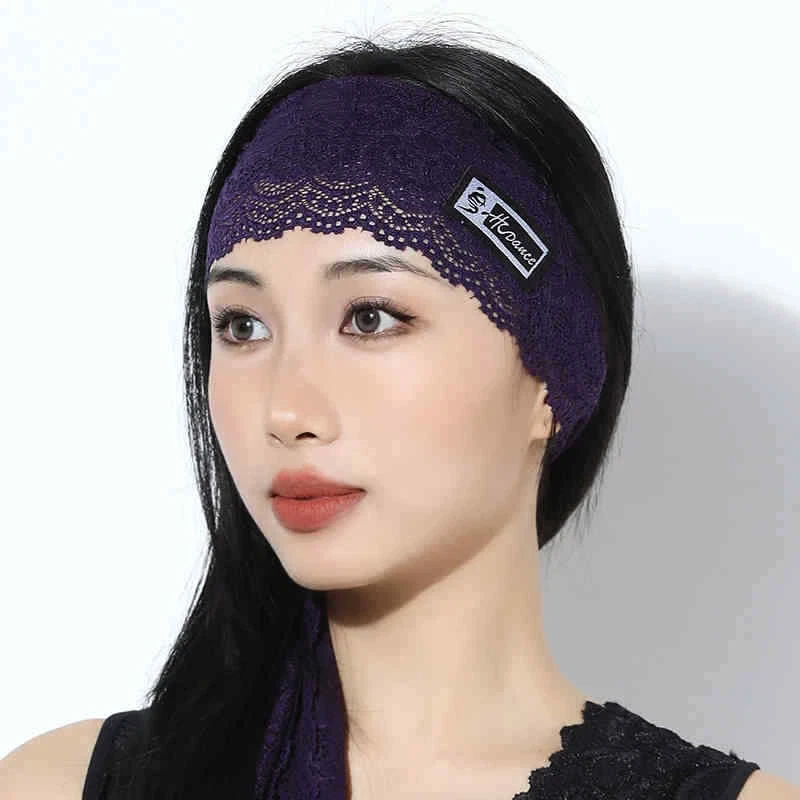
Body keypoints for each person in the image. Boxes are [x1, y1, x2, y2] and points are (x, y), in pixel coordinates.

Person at [2, 26, 797, 800]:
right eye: (242, 326)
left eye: (371, 317)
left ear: (552, 380)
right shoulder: (60, 785)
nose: (286, 410)